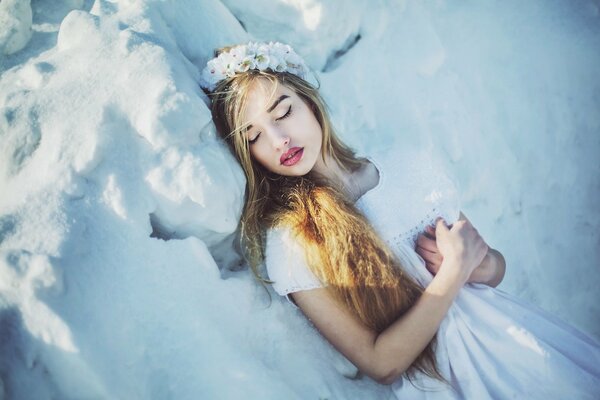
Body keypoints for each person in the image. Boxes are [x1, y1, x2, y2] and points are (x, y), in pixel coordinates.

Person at [200, 41, 600, 399]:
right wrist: (452, 275)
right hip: (450, 382)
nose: (277, 139)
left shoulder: (407, 167)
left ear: (309, 102)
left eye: (283, 112)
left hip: (520, 344)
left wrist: (478, 264)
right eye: (253, 137)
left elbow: (494, 268)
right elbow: (381, 363)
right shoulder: (292, 242)